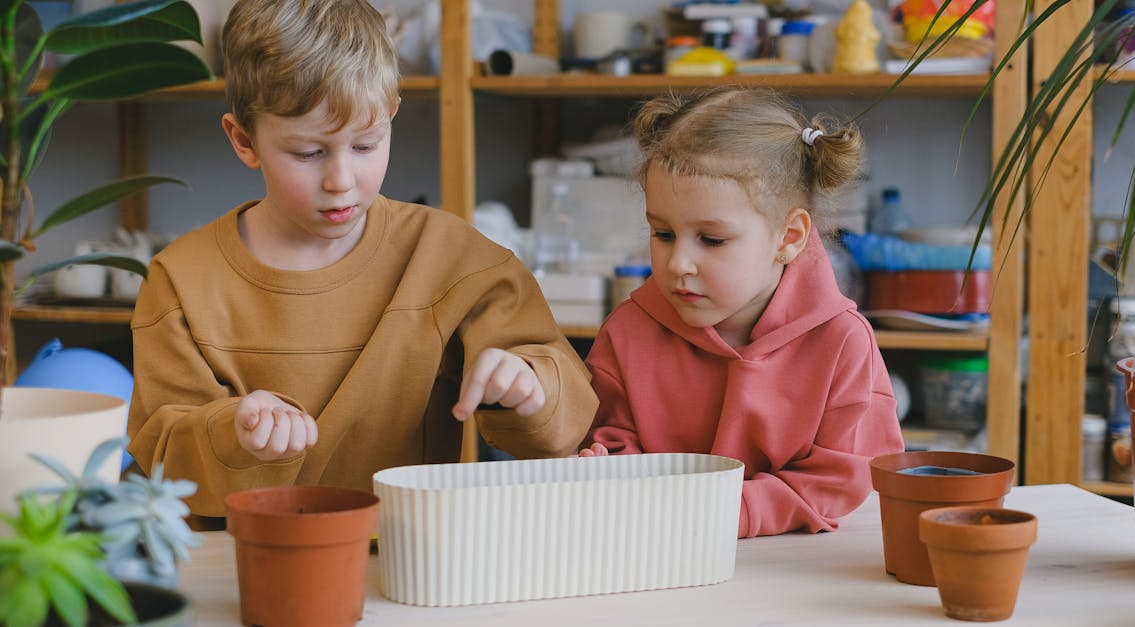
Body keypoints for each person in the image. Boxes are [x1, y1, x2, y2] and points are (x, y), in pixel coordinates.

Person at [126, 0, 597, 518]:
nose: (341, 180)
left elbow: (565, 419)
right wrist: (233, 431)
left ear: (392, 113)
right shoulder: (181, 280)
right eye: (308, 153)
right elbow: (163, 455)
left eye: (367, 144)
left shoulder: (450, 257)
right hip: (238, 559)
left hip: (404, 555)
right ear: (244, 140)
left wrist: (529, 385)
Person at [579, 88, 904, 538]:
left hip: (791, 573)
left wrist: (726, 513)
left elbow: (841, 477)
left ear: (789, 237)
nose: (678, 263)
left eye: (711, 240)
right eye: (663, 233)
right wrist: (608, 468)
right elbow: (612, 437)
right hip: (658, 555)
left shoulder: (842, 342)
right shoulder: (627, 331)